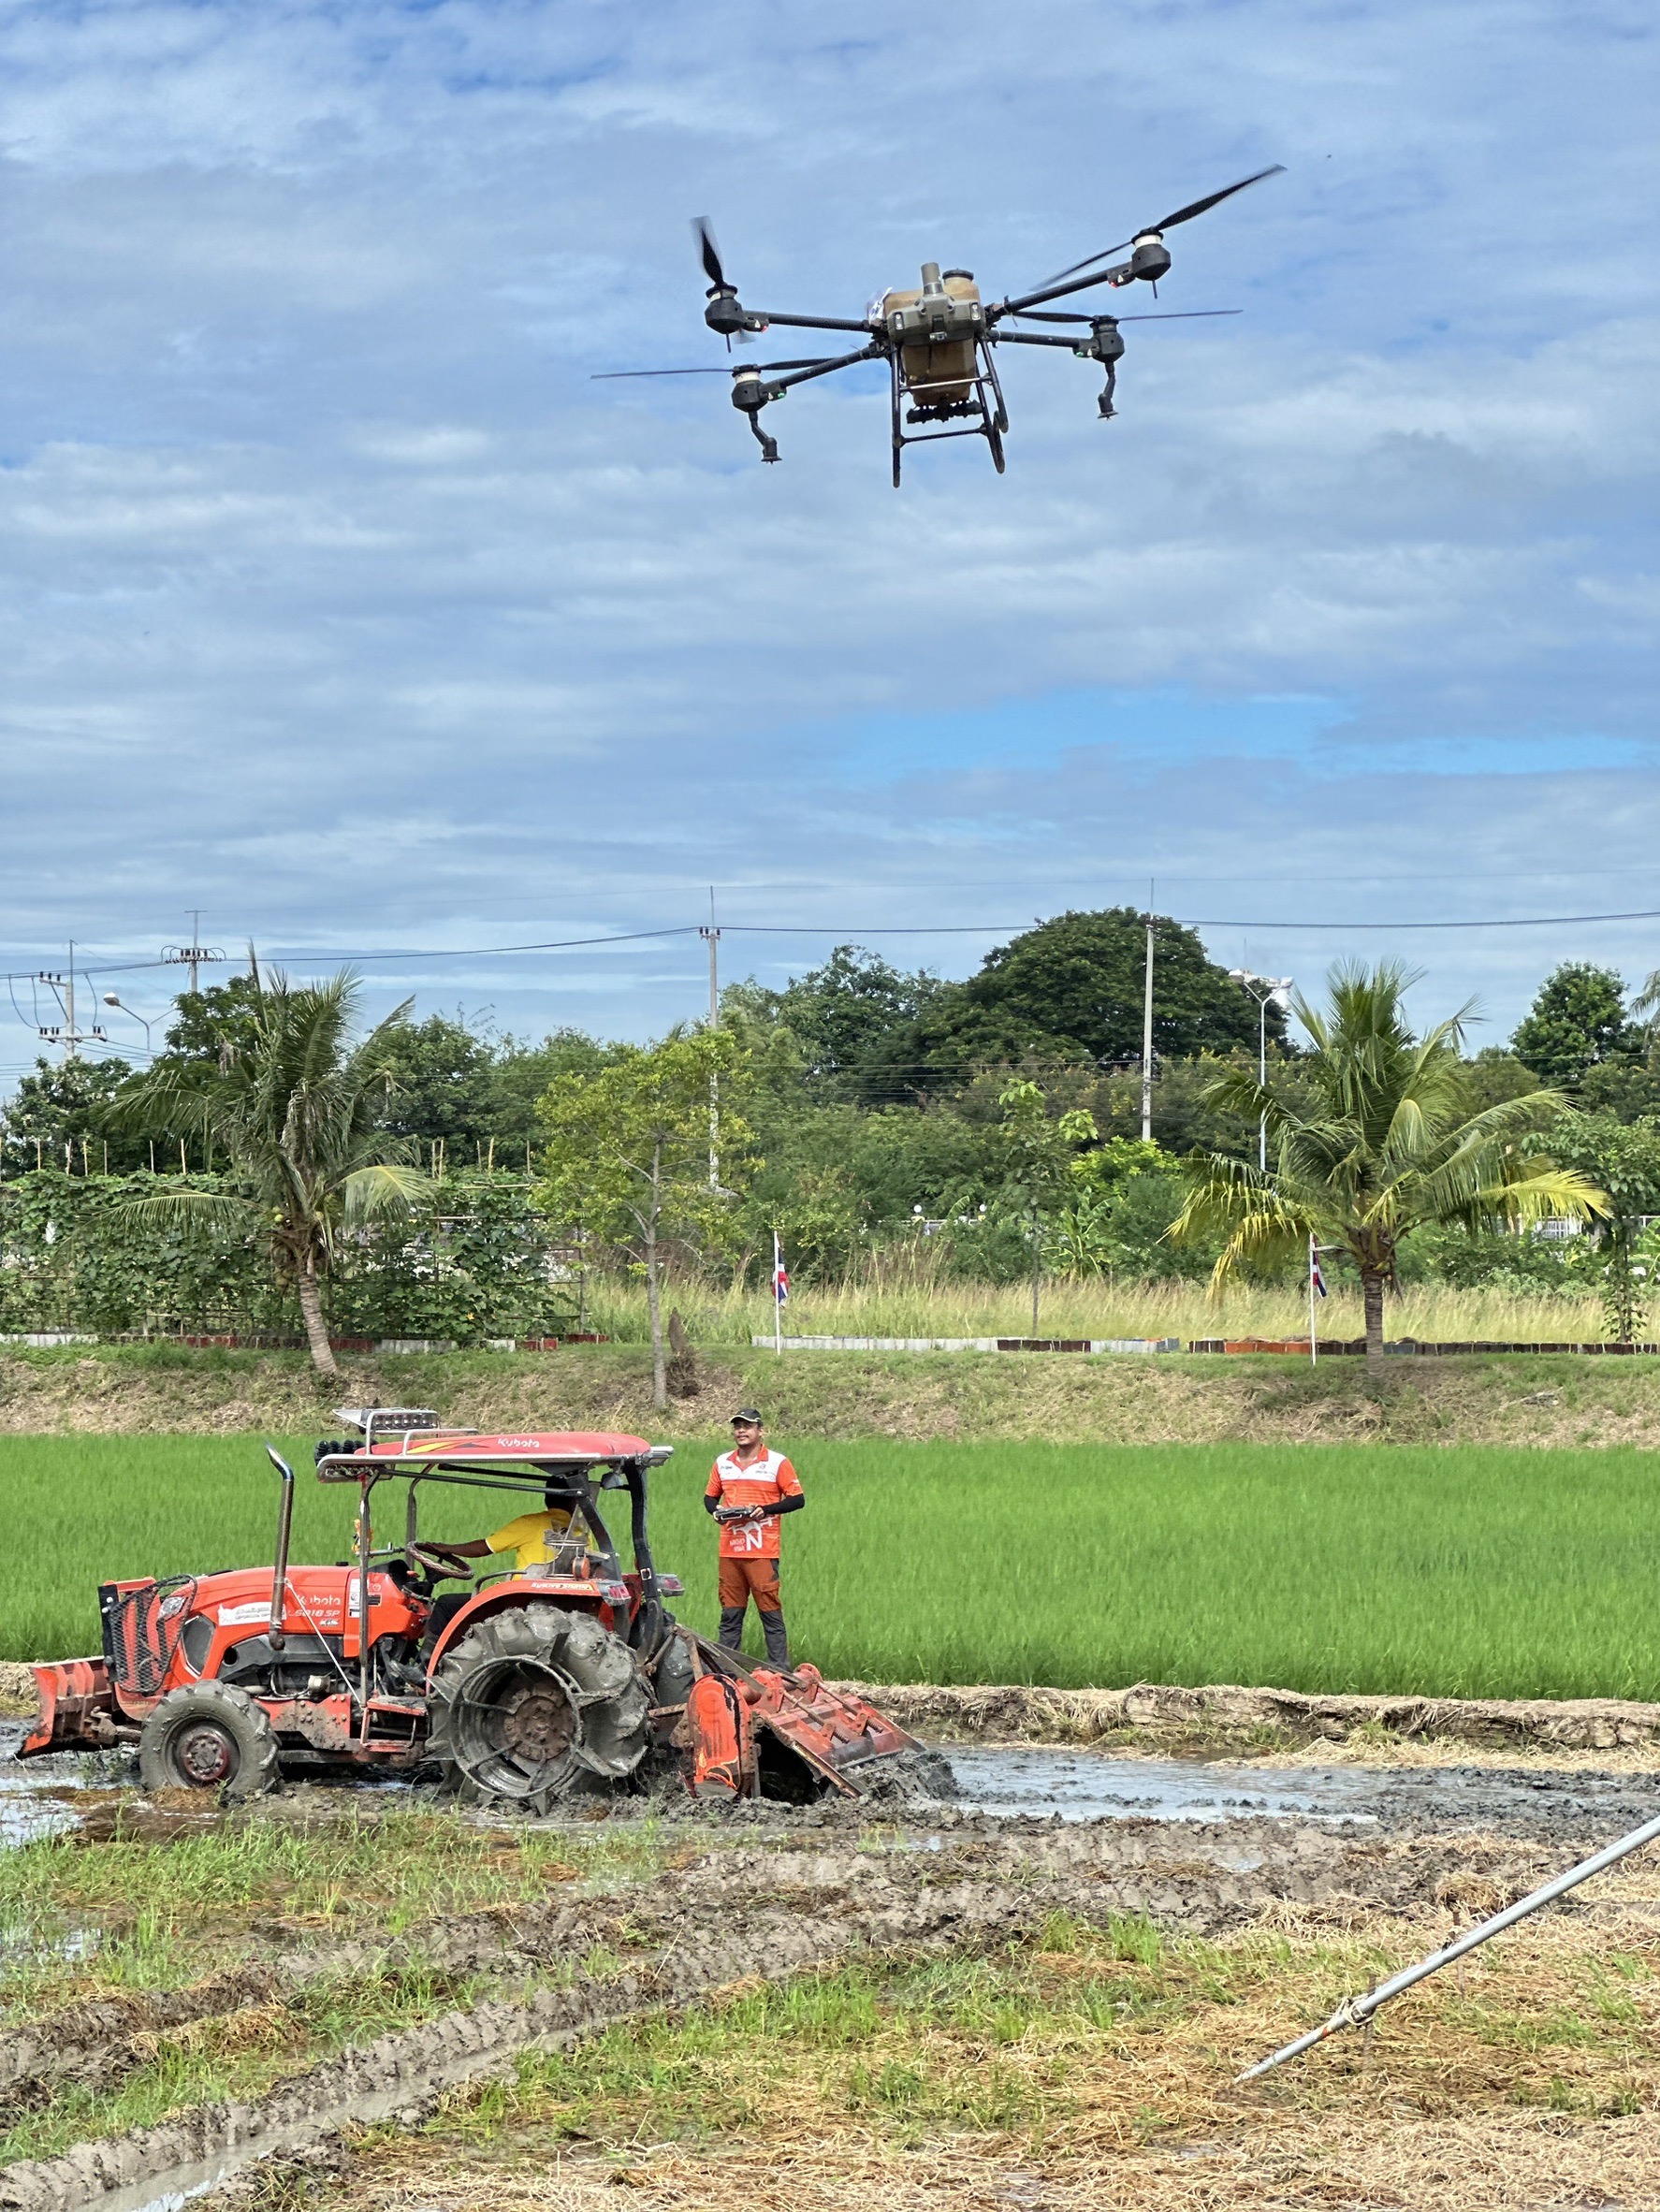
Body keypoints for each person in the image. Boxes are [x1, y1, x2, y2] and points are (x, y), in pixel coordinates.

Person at [705, 1407, 804, 1667]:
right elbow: (709, 1497)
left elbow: (797, 1499)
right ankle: (727, 1672)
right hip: (730, 1551)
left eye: (747, 1426)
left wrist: (766, 1510)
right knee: (730, 1615)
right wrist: (716, 1512)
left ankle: (781, 1671)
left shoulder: (777, 1462)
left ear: (760, 1431)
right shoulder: (722, 1462)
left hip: (762, 1550)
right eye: (737, 1426)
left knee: (770, 1613)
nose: (741, 1431)